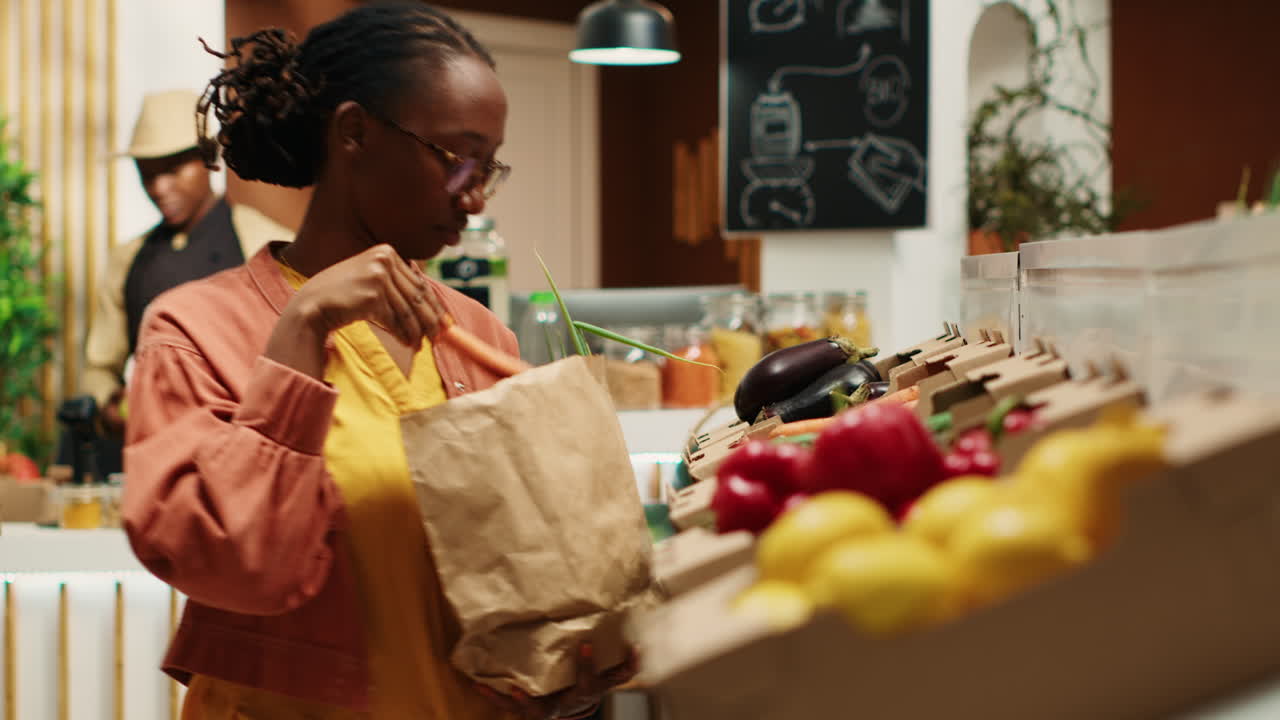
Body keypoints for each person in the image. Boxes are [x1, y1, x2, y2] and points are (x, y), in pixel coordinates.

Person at [120, 3, 631, 719]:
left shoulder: (479, 335)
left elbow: (504, 593)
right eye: (456, 160)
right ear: (354, 132)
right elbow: (234, 566)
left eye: (489, 167)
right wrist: (301, 331)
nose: (474, 197)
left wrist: (553, 674)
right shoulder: (195, 331)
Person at [83, 89, 292, 438]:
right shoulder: (127, 259)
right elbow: (99, 366)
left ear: (209, 159)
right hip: (157, 447)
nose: (159, 188)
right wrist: (108, 405)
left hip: (248, 443)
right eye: (147, 174)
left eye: (173, 169)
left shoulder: (266, 243)